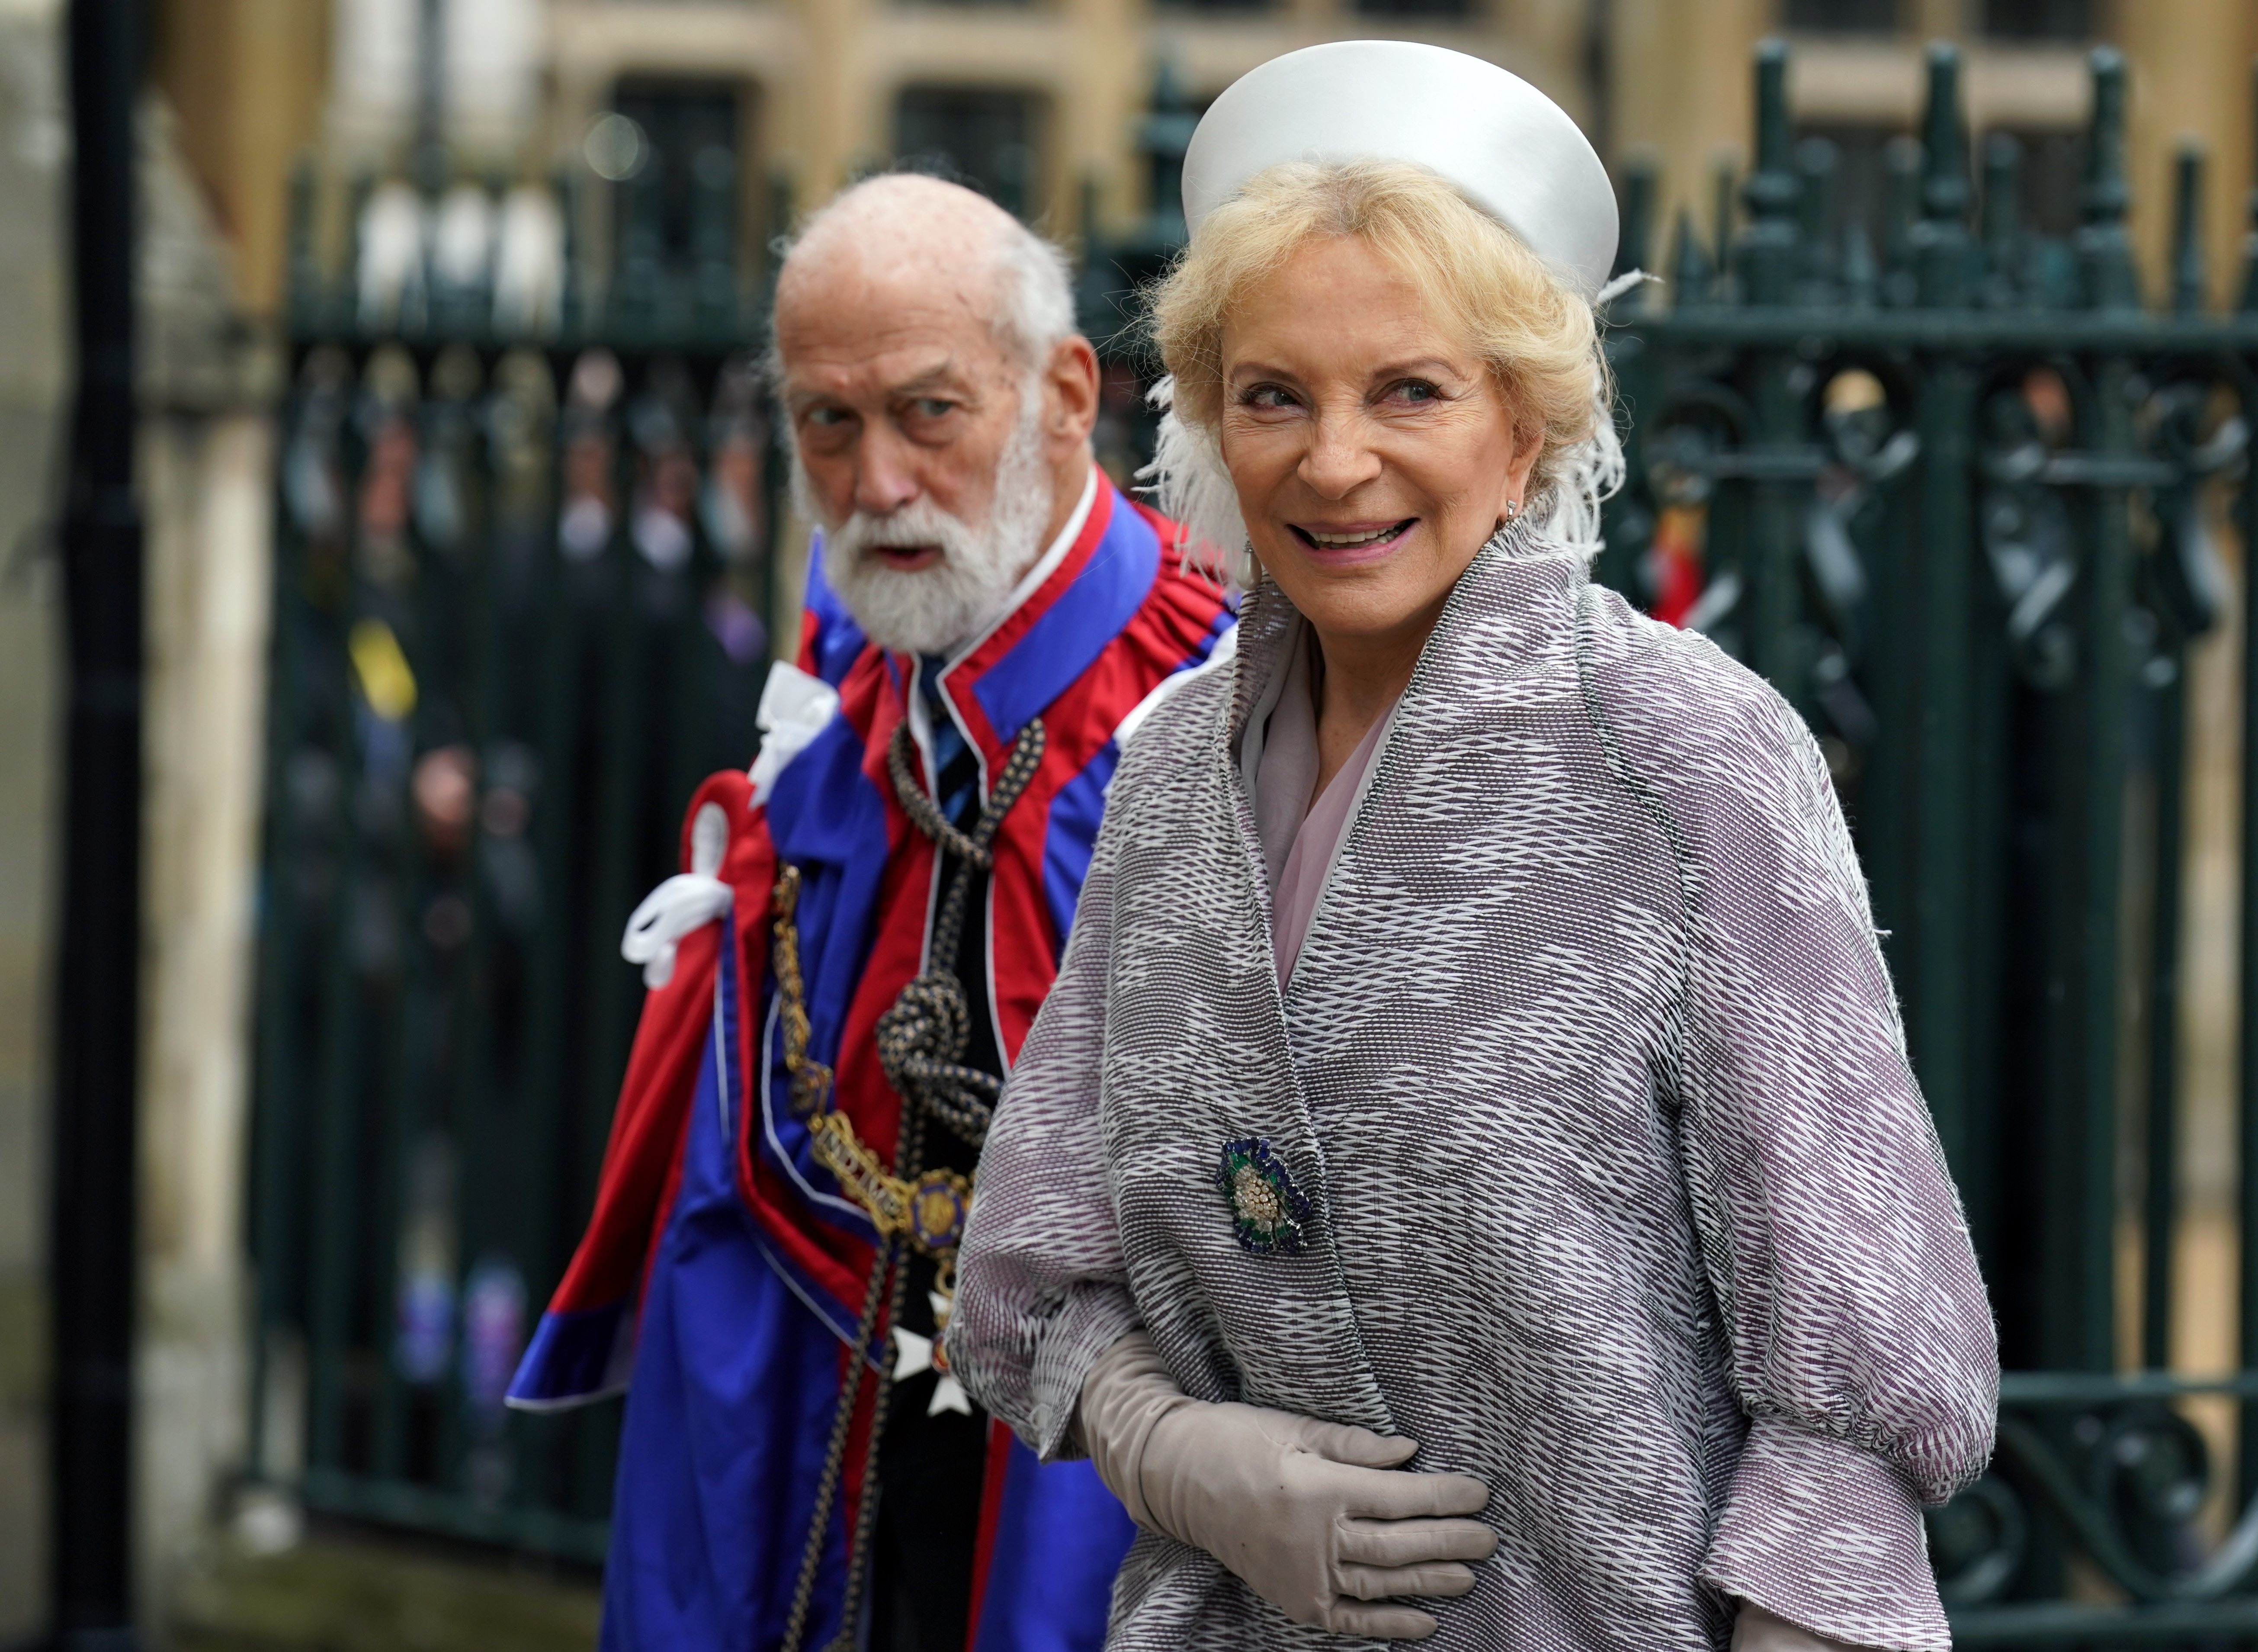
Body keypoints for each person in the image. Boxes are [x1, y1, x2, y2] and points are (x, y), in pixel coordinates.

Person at [946, 41, 1997, 1652]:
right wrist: (1173, 1451)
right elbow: (1034, 1278)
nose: (1334, 458)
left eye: (1410, 391)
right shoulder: (1165, 772)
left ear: (1526, 428)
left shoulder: (1687, 759)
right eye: (1273, 395)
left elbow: (1856, 1395)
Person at [507, 173, 1237, 1652]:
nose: (877, 482)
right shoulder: (848, 721)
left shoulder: (1223, 706)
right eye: (825, 424)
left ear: (1063, 394)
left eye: (927, 412)